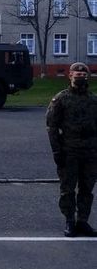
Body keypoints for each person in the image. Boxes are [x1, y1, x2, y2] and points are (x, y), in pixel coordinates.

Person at [46, 62, 97, 237]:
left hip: (90, 152)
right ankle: (69, 221)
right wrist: (56, 151)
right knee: (67, 189)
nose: (80, 77)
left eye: (83, 75)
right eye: (76, 75)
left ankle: (82, 221)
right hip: (69, 151)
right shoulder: (61, 99)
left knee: (87, 188)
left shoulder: (93, 100)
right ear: (70, 76)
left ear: (87, 77)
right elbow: (51, 127)